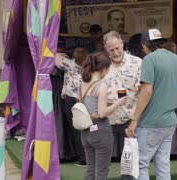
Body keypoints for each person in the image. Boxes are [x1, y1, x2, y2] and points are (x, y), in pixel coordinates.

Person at [126, 29, 177, 180]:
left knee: (141, 164)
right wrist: (167, 84)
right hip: (169, 122)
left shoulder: (150, 59)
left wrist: (134, 120)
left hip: (150, 122)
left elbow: (147, 91)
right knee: (162, 164)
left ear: (144, 45)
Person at [79, 51, 127, 180]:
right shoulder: (102, 85)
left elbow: (82, 103)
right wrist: (117, 103)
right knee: (101, 172)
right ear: (103, 68)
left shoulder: (83, 83)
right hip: (100, 130)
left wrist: (105, 102)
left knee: (90, 169)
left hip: (85, 132)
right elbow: (102, 113)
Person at [103, 31, 142, 159]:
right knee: (104, 162)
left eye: (117, 48)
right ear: (106, 49)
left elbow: (142, 90)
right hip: (108, 119)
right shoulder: (102, 65)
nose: (115, 52)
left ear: (122, 43)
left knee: (130, 163)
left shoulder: (137, 63)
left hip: (130, 119)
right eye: (111, 50)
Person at [55, 47, 89, 166]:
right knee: (85, 128)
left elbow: (55, 58)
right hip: (85, 98)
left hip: (71, 99)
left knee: (75, 129)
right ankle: (89, 156)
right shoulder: (88, 67)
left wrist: (62, 53)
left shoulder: (70, 64)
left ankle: (83, 158)